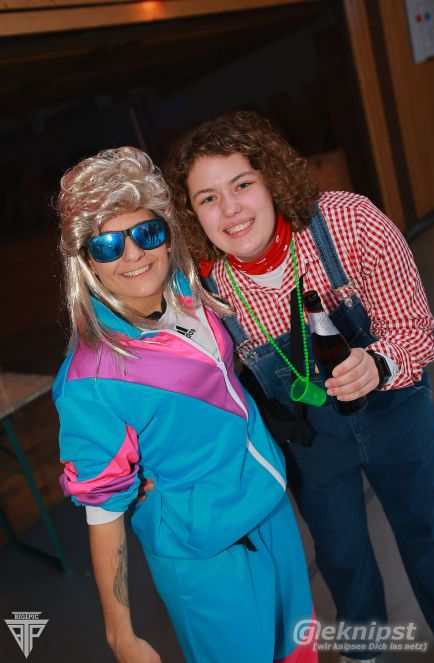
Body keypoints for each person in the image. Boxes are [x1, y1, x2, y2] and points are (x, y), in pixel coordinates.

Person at [165, 111, 434, 662]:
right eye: (208, 198)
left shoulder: (348, 223)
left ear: (270, 178)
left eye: (242, 184)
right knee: (342, 559)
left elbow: (415, 329)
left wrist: (379, 364)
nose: (231, 209)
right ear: (192, 214)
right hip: (312, 445)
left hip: (394, 411)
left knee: (431, 537)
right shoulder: (204, 289)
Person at [53, 146, 317, 663]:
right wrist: (121, 635)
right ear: (86, 261)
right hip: (207, 553)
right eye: (107, 245)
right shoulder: (91, 379)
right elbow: (102, 510)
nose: (133, 254)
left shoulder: (185, 289)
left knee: (299, 652)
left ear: (166, 231)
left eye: (146, 233)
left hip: (269, 506)